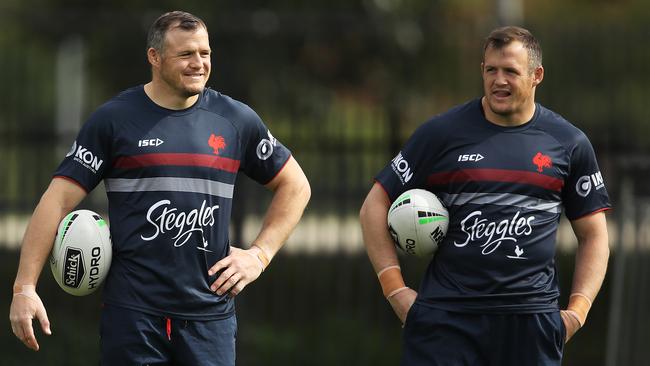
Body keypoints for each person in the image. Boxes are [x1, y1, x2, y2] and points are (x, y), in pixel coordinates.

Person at [9, 10, 310, 365]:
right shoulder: (114, 120)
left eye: (205, 53)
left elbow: (295, 185)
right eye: (186, 54)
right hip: (133, 317)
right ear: (154, 57)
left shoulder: (235, 120)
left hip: (209, 320)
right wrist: (24, 288)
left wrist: (259, 255)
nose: (198, 63)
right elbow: (57, 200)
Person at [360, 26, 610, 365]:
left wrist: (577, 312)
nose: (499, 80)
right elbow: (375, 205)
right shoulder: (441, 134)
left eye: (510, 71)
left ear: (536, 75)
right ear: (481, 71)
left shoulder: (568, 143)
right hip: (446, 321)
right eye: (491, 70)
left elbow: (594, 235)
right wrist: (395, 291)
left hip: (530, 323)